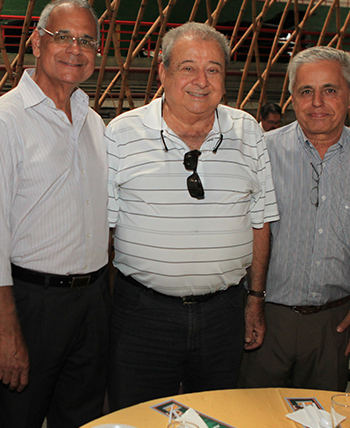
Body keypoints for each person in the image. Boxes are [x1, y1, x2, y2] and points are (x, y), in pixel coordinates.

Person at [105, 22, 278, 411]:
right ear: (163, 72)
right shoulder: (121, 134)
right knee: (139, 417)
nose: (201, 80)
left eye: (213, 69)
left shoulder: (248, 131)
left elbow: (260, 220)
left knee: (216, 416)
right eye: (188, 67)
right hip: (142, 316)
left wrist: (255, 299)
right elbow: (104, 231)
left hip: (224, 314)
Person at [0, 0, 108, 428]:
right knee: (16, 419)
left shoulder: (92, 120)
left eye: (87, 40)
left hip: (92, 302)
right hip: (30, 304)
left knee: (81, 418)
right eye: (62, 36)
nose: (75, 49)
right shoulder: (1, 123)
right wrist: (8, 334)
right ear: (36, 42)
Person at [238, 47, 350, 391]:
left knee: (321, 415)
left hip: (334, 323)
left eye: (330, 90)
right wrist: (252, 301)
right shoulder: (261, 153)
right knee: (252, 414)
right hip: (266, 314)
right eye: (306, 91)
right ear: (293, 98)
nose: (317, 102)